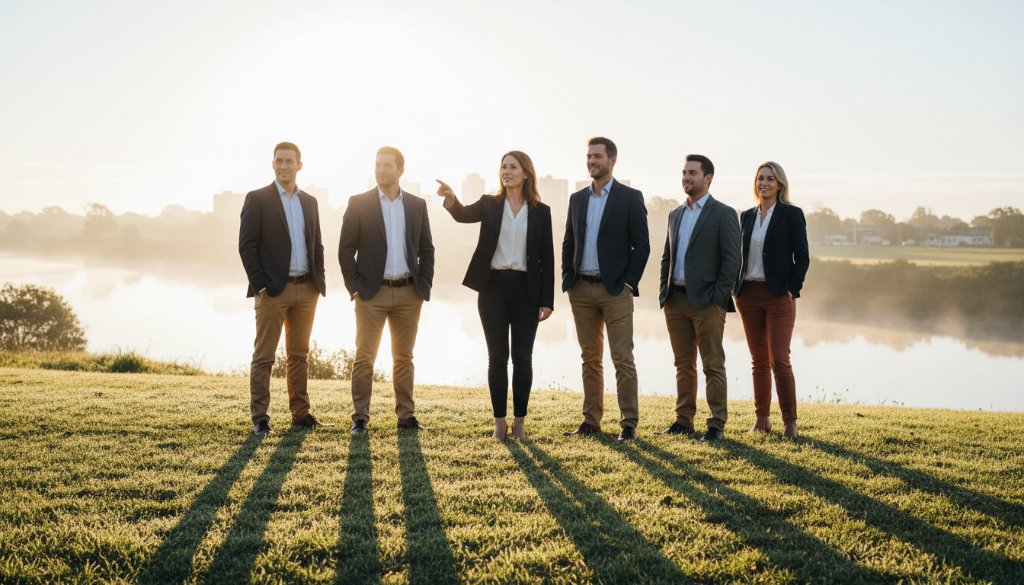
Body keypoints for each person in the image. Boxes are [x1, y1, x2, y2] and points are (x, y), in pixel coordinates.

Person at [435, 151, 555, 441]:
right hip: (493, 289)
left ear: (526, 173)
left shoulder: (541, 210)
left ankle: (520, 424)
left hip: (527, 290)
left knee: (523, 358)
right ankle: (499, 423)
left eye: (513, 167)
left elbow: (547, 257)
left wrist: (547, 300)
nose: (507, 171)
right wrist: (451, 198)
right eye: (503, 167)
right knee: (497, 357)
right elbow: (463, 215)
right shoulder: (490, 203)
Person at [338, 146, 435, 436]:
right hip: (371, 293)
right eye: (377, 164)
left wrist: (424, 286)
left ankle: (406, 417)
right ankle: (360, 420)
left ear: (400, 170)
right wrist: (355, 288)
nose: (381, 170)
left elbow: (426, 249)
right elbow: (345, 250)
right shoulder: (359, 203)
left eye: (387, 165)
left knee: (404, 358)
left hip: (409, 292)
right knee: (364, 358)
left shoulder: (417, 205)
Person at [562, 137, 650, 442]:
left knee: (622, 357)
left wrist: (628, 283)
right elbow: (568, 242)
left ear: (612, 160)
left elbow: (642, 245)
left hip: (615, 292)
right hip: (581, 290)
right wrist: (567, 279)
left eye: (597, 156)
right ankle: (591, 420)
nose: (591, 161)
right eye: (588, 156)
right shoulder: (577, 199)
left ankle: (628, 423)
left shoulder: (629, 197)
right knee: (589, 358)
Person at [238, 141, 328, 436]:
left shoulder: (310, 202)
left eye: (289, 161)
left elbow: (317, 244)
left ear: (299, 165)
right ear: (273, 164)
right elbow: (246, 247)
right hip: (271, 292)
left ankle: (300, 414)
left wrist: (319, 283)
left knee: (299, 356)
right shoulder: (257, 198)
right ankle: (260, 419)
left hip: (306, 290)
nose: (284, 166)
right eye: (279, 161)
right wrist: (260, 285)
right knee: (264, 356)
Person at [657, 154, 740, 442]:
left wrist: (718, 297)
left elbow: (732, 261)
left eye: (692, 173)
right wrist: (663, 293)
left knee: (712, 364)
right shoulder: (675, 214)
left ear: (708, 178)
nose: (686, 178)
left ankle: (716, 424)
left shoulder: (723, 213)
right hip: (675, 300)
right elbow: (667, 257)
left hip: (707, 302)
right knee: (683, 364)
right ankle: (683, 420)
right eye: (683, 173)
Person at [733, 161, 809, 440]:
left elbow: (802, 257)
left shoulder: (792, 214)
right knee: (759, 360)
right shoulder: (747, 216)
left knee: (779, 359)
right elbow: (738, 255)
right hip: (748, 295)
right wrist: (735, 287)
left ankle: (790, 422)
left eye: (769, 178)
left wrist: (792, 289)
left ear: (780, 184)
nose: (763, 183)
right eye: (760, 178)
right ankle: (761, 419)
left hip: (778, 295)